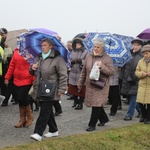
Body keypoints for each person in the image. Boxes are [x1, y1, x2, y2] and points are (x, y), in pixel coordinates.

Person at [30, 38, 67, 141]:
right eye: (42, 45)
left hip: (51, 89)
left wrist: (62, 89)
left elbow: (63, 75)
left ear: (51, 46)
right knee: (48, 111)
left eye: (45, 45)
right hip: (39, 88)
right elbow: (33, 73)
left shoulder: (58, 58)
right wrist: (32, 68)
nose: (43, 47)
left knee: (44, 112)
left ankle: (38, 133)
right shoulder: (39, 57)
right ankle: (53, 130)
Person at [77, 38, 114, 131]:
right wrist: (80, 83)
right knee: (96, 104)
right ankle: (104, 119)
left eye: (98, 47)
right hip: (90, 84)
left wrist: (102, 66)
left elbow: (111, 72)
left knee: (96, 104)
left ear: (102, 48)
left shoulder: (107, 58)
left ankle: (92, 125)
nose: (96, 48)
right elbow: (84, 71)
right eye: (95, 46)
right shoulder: (89, 56)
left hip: (100, 85)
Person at [4, 48, 35, 128]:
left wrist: (34, 79)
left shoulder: (31, 52)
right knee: (19, 99)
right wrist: (7, 77)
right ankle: (22, 119)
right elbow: (12, 65)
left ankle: (30, 116)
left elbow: (34, 66)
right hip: (17, 79)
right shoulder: (16, 52)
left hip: (27, 78)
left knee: (22, 97)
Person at [121, 38, 143, 121]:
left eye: (137, 45)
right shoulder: (128, 54)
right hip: (127, 79)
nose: (135, 46)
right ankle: (141, 111)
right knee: (131, 97)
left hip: (136, 79)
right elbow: (125, 65)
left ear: (140, 46)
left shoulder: (141, 56)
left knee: (133, 97)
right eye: (134, 45)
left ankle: (129, 115)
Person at [68, 37, 88, 110]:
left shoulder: (85, 52)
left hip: (81, 73)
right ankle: (75, 101)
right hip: (73, 72)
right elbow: (68, 60)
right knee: (73, 88)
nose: (77, 46)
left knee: (81, 89)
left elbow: (87, 61)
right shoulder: (72, 51)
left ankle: (80, 103)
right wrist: (71, 63)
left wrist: (81, 62)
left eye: (79, 44)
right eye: (76, 44)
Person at [135, 44, 150, 124]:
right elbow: (137, 72)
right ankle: (143, 115)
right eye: (144, 53)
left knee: (149, 103)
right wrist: (141, 74)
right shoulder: (140, 61)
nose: (145, 55)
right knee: (140, 102)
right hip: (142, 85)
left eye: (147, 53)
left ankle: (148, 118)